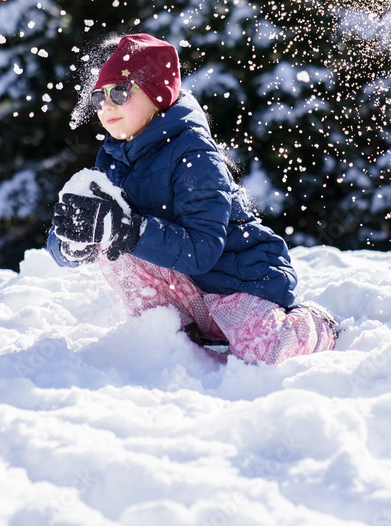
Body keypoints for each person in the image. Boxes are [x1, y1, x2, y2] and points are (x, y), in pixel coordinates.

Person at [46, 33, 338, 364]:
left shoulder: (194, 154)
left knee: (268, 354)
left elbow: (202, 251)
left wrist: (128, 229)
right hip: (188, 294)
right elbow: (71, 236)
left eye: (120, 92)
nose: (107, 104)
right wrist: (72, 242)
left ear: (157, 95)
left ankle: (312, 325)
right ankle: (171, 340)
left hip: (236, 285)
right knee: (108, 233)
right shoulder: (111, 160)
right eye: (99, 96)